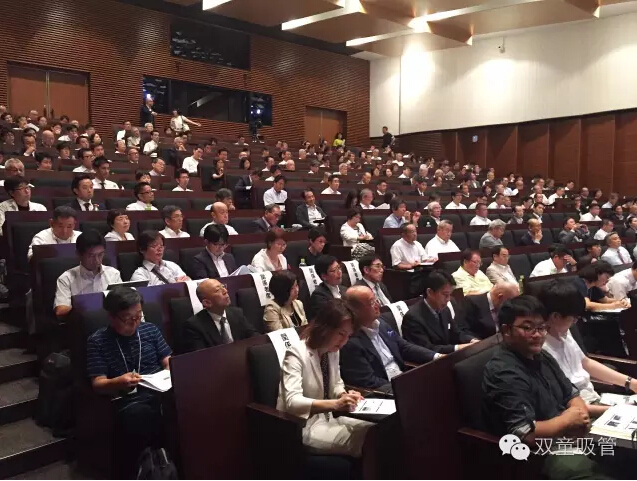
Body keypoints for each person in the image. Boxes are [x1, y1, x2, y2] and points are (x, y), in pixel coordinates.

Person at [480, 296, 611, 480]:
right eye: (528, 328)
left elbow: (572, 395)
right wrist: (567, 421)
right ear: (506, 330)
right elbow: (526, 433)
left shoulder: (541, 355)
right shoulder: (503, 372)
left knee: (623, 451)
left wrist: (579, 417)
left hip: (569, 434)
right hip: (541, 452)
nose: (538, 334)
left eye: (541, 327)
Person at [87, 287, 171, 478]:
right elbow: (98, 383)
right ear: (111, 317)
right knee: (140, 416)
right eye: (128, 318)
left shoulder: (150, 329)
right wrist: (118, 382)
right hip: (127, 400)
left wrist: (169, 368)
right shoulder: (98, 341)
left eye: (138, 316)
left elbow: (167, 359)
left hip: (161, 391)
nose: (135, 322)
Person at [277, 299, 371, 457]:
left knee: (377, 429)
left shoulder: (333, 350)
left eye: (348, 336)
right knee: (367, 440)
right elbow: (292, 403)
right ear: (325, 328)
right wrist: (336, 404)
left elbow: (336, 384)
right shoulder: (296, 353)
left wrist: (344, 395)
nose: (344, 341)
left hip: (329, 418)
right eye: (341, 334)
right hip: (302, 426)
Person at [539, 279, 637, 418]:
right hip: (579, 415)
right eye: (574, 318)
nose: (574, 323)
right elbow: (565, 407)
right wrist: (616, 410)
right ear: (555, 316)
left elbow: (585, 362)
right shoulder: (540, 349)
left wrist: (631, 383)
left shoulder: (563, 332)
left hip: (595, 399)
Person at [340, 285, 436, 392]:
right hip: (385, 391)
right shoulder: (350, 343)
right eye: (371, 302)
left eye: (376, 300)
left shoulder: (382, 324)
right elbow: (368, 381)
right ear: (355, 310)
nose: (378, 305)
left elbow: (404, 347)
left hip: (402, 379)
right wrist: (406, 387)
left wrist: (435, 356)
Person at [402, 271, 478, 353]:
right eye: (445, 295)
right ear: (430, 292)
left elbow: (456, 333)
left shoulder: (445, 309)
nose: (448, 299)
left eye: (450, 294)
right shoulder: (412, 318)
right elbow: (427, 349)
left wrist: (472, 340)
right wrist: (457, 348)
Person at [54, 230, 122, 318]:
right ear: (79, 254)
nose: (97, 260)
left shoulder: (113, 274)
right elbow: (60, 311)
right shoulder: (66, 279)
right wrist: (85, 306)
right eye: (91, 256)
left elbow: (123, 302)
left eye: (100, 255)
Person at [181, 279, 257, 353]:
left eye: (223, 286)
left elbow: (254, 337)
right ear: (207, 302)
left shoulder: (237, 313)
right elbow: (201, 356)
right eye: (218, 290)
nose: (225, 291)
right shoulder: (194, 326)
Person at [307, 255, 346, 320]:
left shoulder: (345, 289)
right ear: (324, 276)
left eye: (339, 268)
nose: (339, 272)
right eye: (334, 270)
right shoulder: (319, 296)